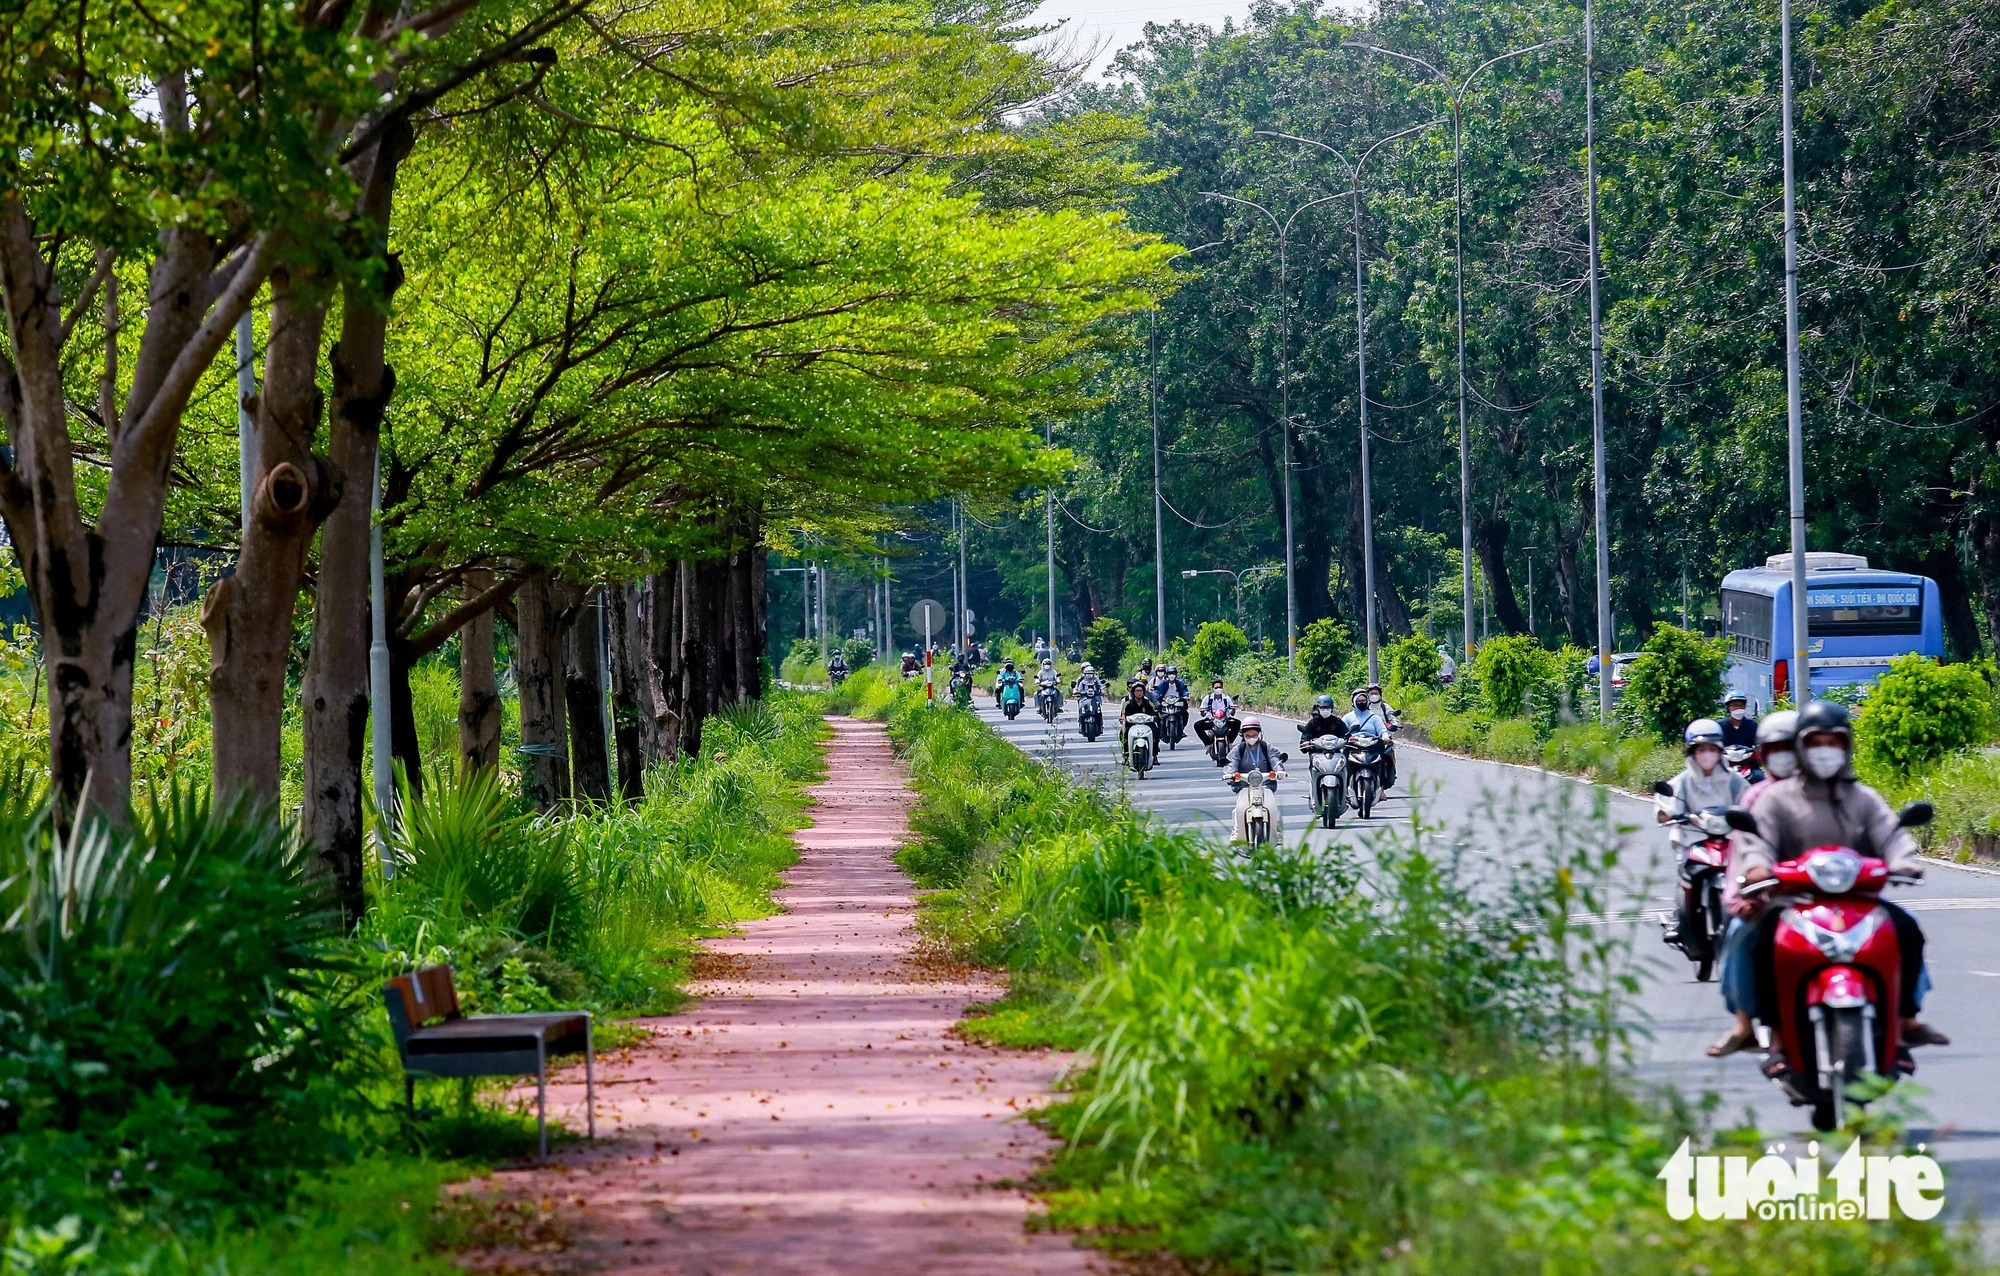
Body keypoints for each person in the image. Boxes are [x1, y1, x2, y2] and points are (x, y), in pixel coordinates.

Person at [1730, 699, 1948, 1055]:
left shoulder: (1863, 797)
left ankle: (1905, 1019)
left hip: (1860, 901)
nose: (1825, 752)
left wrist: (1904, 861)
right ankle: (1778, 1036)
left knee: (1907, 929)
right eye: (1816, 742)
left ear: (1847, 746)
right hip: (1792, 902)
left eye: (1834, 742)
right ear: (1801, 747)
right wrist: (1757, 867)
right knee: (1762, 945)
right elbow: (1758, 842)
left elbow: (1892, 835)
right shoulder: (1776, 799)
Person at [1707, 709, 1797, 1057]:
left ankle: (1901, 1020)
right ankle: (1745, 1021)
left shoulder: (1834, 790)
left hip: (1828, 893)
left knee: (1899, 927)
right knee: (1736, 936)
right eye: (1776, 748)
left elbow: (1872, 832)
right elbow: (1742, 856)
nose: (1784, 755)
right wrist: (1741, 895)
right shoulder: (1754, 797)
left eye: (1790, 747)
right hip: (1771, 896)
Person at [1224, 715, 1285, 841]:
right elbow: (1231, 763)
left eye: (1254, 735)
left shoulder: (1266, 747)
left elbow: (1275, 760)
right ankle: (1237, 832)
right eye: (1248, 736)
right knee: (1238, 810)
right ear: (1243, 735)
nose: (1251, 738)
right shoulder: (1238, 750)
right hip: (1244, 786)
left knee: (1274, 809)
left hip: (1266, 785)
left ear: (1259, 733)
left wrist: (1279, 771)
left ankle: (1277, 833)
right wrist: (1230, 774)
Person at [1365, 683, 1400, 788]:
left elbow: (1392, 716)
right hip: (1366, 739)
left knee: (1389, 753)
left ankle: (1389, 773)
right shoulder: (1363, 707)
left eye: (1376, 693)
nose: (1374, 695)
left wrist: (1395, 724)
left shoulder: (1385, 707)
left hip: (1384, 738)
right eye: (1371, 693)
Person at [1118, 677, 1156, 763]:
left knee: (1156, 732)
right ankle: (1126, 755)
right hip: (1132, 725)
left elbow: (1155, 711)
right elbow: (1123, 714)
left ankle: (1155, 754)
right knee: (1124, 733)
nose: (1139, 693)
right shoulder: (1128, 703)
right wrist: (1123, 718)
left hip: (1147, 724)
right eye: (1137, 691)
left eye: (1141, 691)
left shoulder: (1148, 703)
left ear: (1144, 692)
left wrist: (1157, 716)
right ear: (1133, 692)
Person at [1194, 678, 1237, 752]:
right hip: (1211, 720)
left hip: (1225, 720)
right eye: (1216, 688)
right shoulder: (1208, 698)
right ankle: (1208, 744)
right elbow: (1203, 714)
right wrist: (1202, 711)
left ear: (1222, 688)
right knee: (1197, 725)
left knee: (1237, 723)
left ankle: (1230, 742)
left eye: (1220, 687)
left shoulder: (1226, 698)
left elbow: (1232, 713)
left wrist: (1233, 708)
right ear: (1213, 689)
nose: (1218, 689)